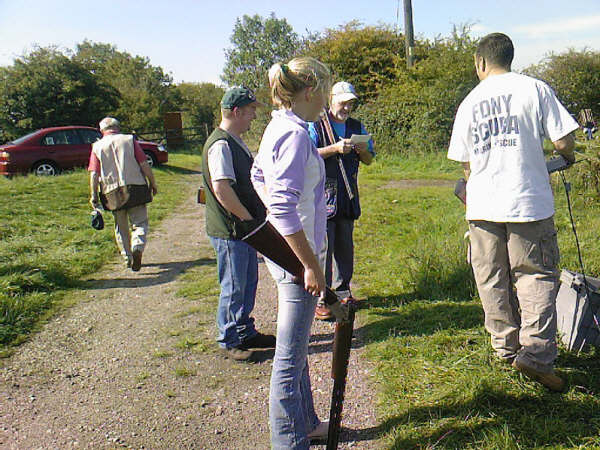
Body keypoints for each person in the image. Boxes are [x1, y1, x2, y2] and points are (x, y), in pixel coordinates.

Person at [448, 33, 579, 391]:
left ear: (480, 63)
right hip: (527, 202)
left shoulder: (469, 102)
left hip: (483, 207)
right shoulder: (534, 88)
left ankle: (505, 350)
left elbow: (466, 165)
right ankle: (535, 357)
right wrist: (566, 157)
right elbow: (564, 140)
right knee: (534, 274)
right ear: (510, 58)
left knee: (491, 277)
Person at [251, 57, 332, 449]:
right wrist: (308, 263)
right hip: (296, 259)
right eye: (326, 93)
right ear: (310, 91)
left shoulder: (282, 126)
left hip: (287, 255)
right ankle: (288, 442)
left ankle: (308, 423)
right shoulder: (296, 134)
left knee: (297, 349)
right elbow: (282, 205)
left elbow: (256, 177)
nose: (328, 104)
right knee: (289, 359)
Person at [202, 86, 274, 362]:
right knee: (234, 285)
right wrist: (246, 219)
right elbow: (222, 189)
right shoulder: (221, 144)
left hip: (241, 229)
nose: (254, 115)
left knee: (246, 281)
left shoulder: (232, 140)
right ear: (236, 111)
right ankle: (229, 338)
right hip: (232, 230)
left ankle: (245, 332)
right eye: (251, 110)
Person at [308, 81, 375, 320]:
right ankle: (322, 298)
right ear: (331, 99)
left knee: (346, 245)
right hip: (323, 194)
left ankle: (344, 291)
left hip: (348, 195)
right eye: (343, 102)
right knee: (324, 247)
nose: (347, 107)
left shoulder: (357, 126)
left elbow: (369, 159)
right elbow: (307, 154)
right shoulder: (316, 123)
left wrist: (361, 150)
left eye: (351, 103)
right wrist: (334, 148)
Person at [89, 117, 157, 271]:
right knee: (140, 223)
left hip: (111, 191)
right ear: (117, 128)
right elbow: (143, 163)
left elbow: (94, 174)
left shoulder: (97, 147)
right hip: (136, 187)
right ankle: (138, 246)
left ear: (101, 130)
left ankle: (127, 257)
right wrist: (152, 183)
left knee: (121, 227)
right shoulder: (129, 140)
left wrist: (93, 195)